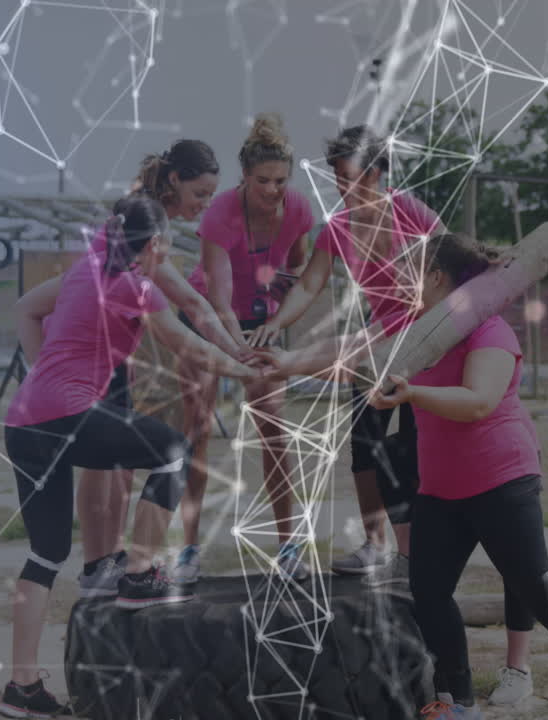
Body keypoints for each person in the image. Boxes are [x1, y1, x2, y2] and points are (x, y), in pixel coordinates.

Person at [261, 234, 548, 719]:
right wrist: (284, 362)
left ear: (436, 276)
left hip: (501, 480)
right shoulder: (412, 328)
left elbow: (479, 400)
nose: (400, 282)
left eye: (410, 272)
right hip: (441, 487)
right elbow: (350, 352)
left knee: (537, 590)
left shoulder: (491, 332)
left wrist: (411, 396)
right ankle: (458, 704)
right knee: (429, 592)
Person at [0, 194, 261, 719]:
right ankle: (141, 573)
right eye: (164, 248)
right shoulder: (136, 286)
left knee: (47, 553)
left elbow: (26, 306)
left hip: (24, 420)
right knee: (171, 448)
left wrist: (40, 374)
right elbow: (188, 346)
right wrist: (250, 371)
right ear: (157, 244)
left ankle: (20, 687)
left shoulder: (86, 268)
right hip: (65, 415)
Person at [15, 140, 251, 600]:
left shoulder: (138, 220)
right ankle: (108, 563)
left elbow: (187, 305)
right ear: (175, 182)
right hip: (93, 360)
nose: (203, 206)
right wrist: (239, 357)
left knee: (113, 465)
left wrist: (236, 349)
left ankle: (105, 561)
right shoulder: (143, 227)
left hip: (102, 354)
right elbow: (189, 305)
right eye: (200, 194)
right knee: (115, 467)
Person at [246, 124, 434, 583]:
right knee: (366, 448)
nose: (345, 187)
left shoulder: (405, 209)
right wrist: (275, 324)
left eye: (354, 177)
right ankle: (376, 546)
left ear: (377, 173)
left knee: (415, 451)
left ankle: (421, 552)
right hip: (378, 347)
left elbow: (451, 254)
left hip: (427, 344)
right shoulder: (339, 228)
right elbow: (310, 283)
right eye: (339, 178)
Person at [172, 113, 314, 586]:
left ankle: (289, 544)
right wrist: (237, 351)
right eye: (263, 182)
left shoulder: (296, 209)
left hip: (257, 327)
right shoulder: (221, 214)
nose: (273, 190)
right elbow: (216, 298)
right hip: (209, 321)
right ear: (244, 178)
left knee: (273, 429)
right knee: (198, 431)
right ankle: (188, 548)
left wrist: (274, 323)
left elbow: (297, 271)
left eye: (281, 181)